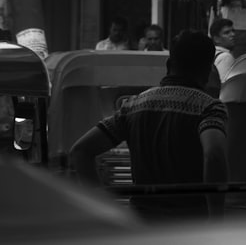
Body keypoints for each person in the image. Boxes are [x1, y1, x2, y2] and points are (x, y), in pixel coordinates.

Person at [69, 30, 228, 220]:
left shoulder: (134, 105)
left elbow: (80, 151)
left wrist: (100, 209)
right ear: (209, 70)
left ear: (169, 65)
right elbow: (214, 154)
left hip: (143, 226)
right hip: (189, 227)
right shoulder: (209, 107)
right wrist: (216, 217)